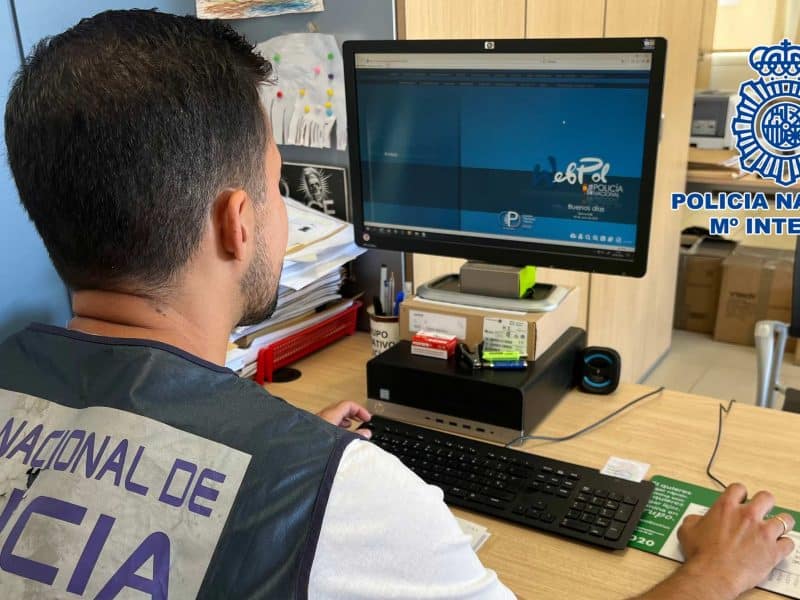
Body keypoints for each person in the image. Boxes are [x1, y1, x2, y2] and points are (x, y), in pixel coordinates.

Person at [0, 9, 792, 600]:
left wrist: (258, 449)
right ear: (238, 222)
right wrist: (717, 575)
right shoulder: (346, 495)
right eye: (278, 184)